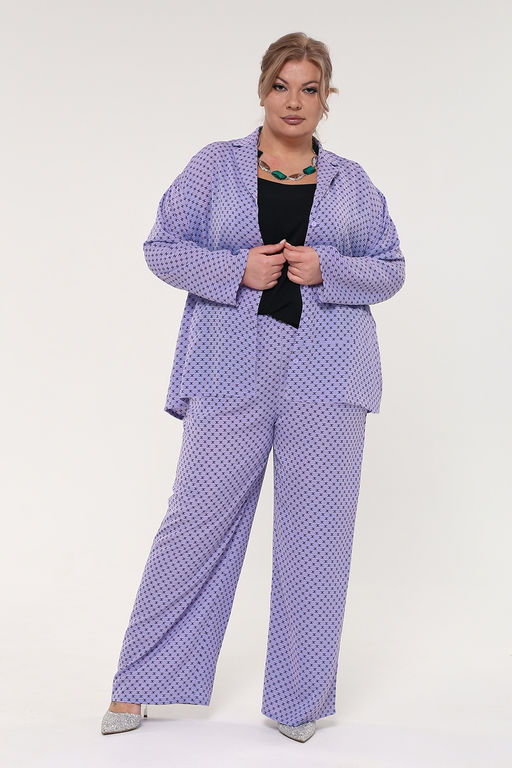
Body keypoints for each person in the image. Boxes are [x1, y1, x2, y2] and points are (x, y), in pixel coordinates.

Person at [101, 31, 405, 744]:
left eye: (309, 89)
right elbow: (161, 247)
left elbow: (391, 268)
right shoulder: (215, 167)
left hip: (328, 375)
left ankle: (298, 702)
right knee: (196, 521)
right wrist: (235, 267)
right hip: (230, 368)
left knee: (317, 536)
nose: (293, 101)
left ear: (326, 99)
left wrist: (328, 267)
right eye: (281, 86)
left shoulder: (353, 184)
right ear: (263, 90)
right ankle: (138, 684)